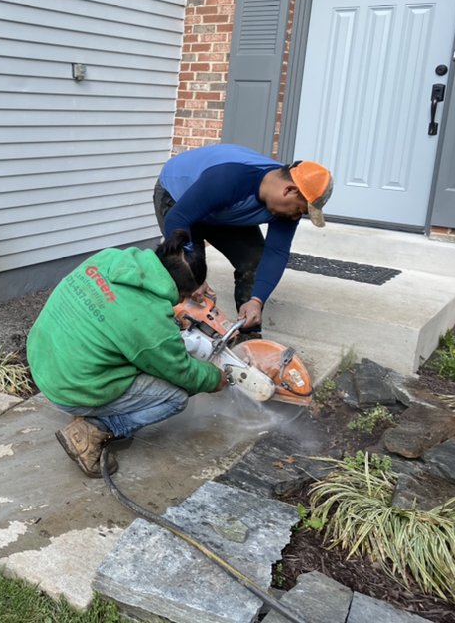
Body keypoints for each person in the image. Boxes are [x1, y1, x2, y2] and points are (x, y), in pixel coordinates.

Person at [26, 231, 228, 478]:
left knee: (129, 352)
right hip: (72, 388)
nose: (183, 300)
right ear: (180, 289)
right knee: (175, 397)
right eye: (185, 296)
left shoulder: (109, 258)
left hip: (43, 360)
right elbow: (181, 371)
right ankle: (95, 429)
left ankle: (94, 408)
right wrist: (213, 377)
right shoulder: (149, 319)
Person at [153, 143, 332, 336]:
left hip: (221, 208)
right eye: (298, 210)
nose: (296, 217)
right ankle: (166, 334)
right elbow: (178, 219)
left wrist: (257, 300)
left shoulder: (286, 207)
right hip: (178, 198)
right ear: (289, 190)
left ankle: (247, 338)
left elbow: (276, 253)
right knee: (183, 272)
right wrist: (193, 278)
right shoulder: (230, 178)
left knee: (254, 260)